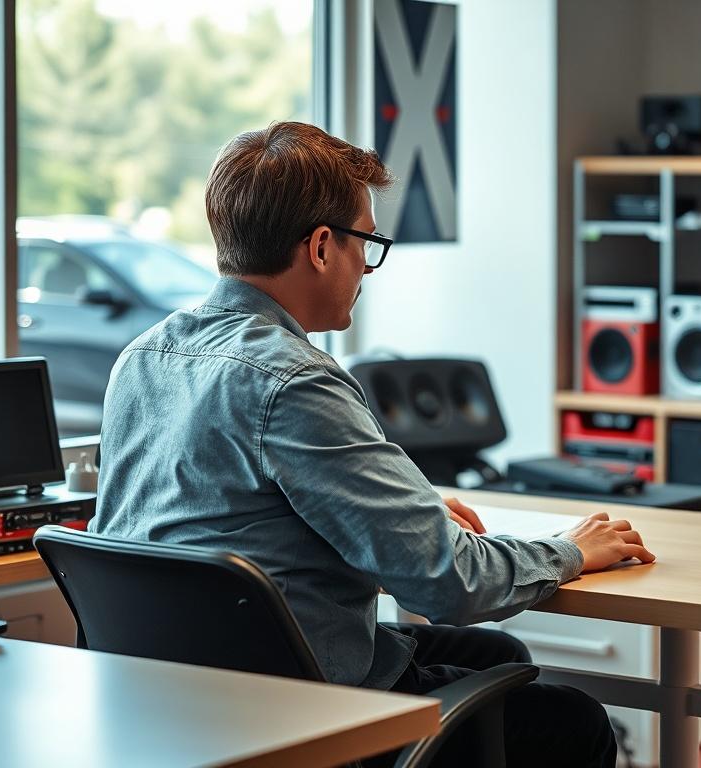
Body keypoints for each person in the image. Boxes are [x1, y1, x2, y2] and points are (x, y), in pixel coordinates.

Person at [91, 121, 655, 767]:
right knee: (571, 720)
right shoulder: (294, 381)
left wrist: (398, 510)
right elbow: (450, 585)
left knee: (495, 659)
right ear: (323, 246)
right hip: (296, 715)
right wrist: (568, 552)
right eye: (368, 240)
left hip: (166, 698)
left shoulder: (144, 355)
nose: (368, 265)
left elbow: (225, 518)